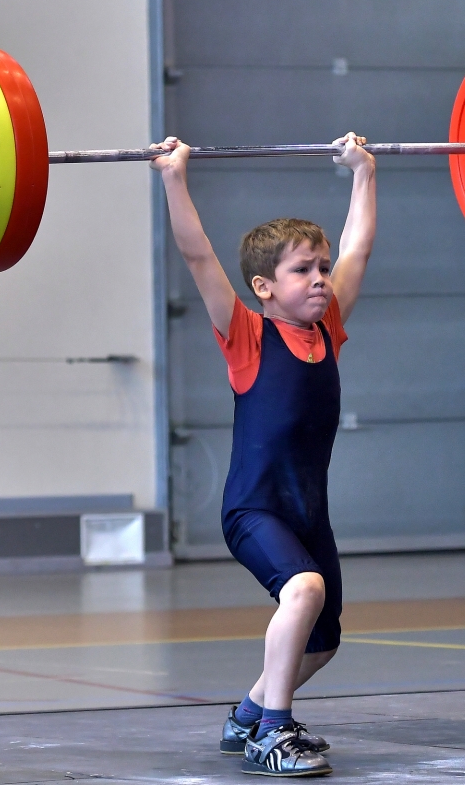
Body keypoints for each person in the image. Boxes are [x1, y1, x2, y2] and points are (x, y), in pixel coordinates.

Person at [151, 131, 375, 777]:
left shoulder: (327, 331)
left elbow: (358, 246)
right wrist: (174, 178)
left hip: (308, 512)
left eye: (322, 268)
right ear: (264, 286)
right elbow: (197, 255)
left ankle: (247, 713)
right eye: (303, 270)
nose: (320, 280)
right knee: (302, 591)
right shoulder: (247, 335)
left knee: (325, 640)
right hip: (253, 510)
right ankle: (272, 735)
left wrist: (364, 173)